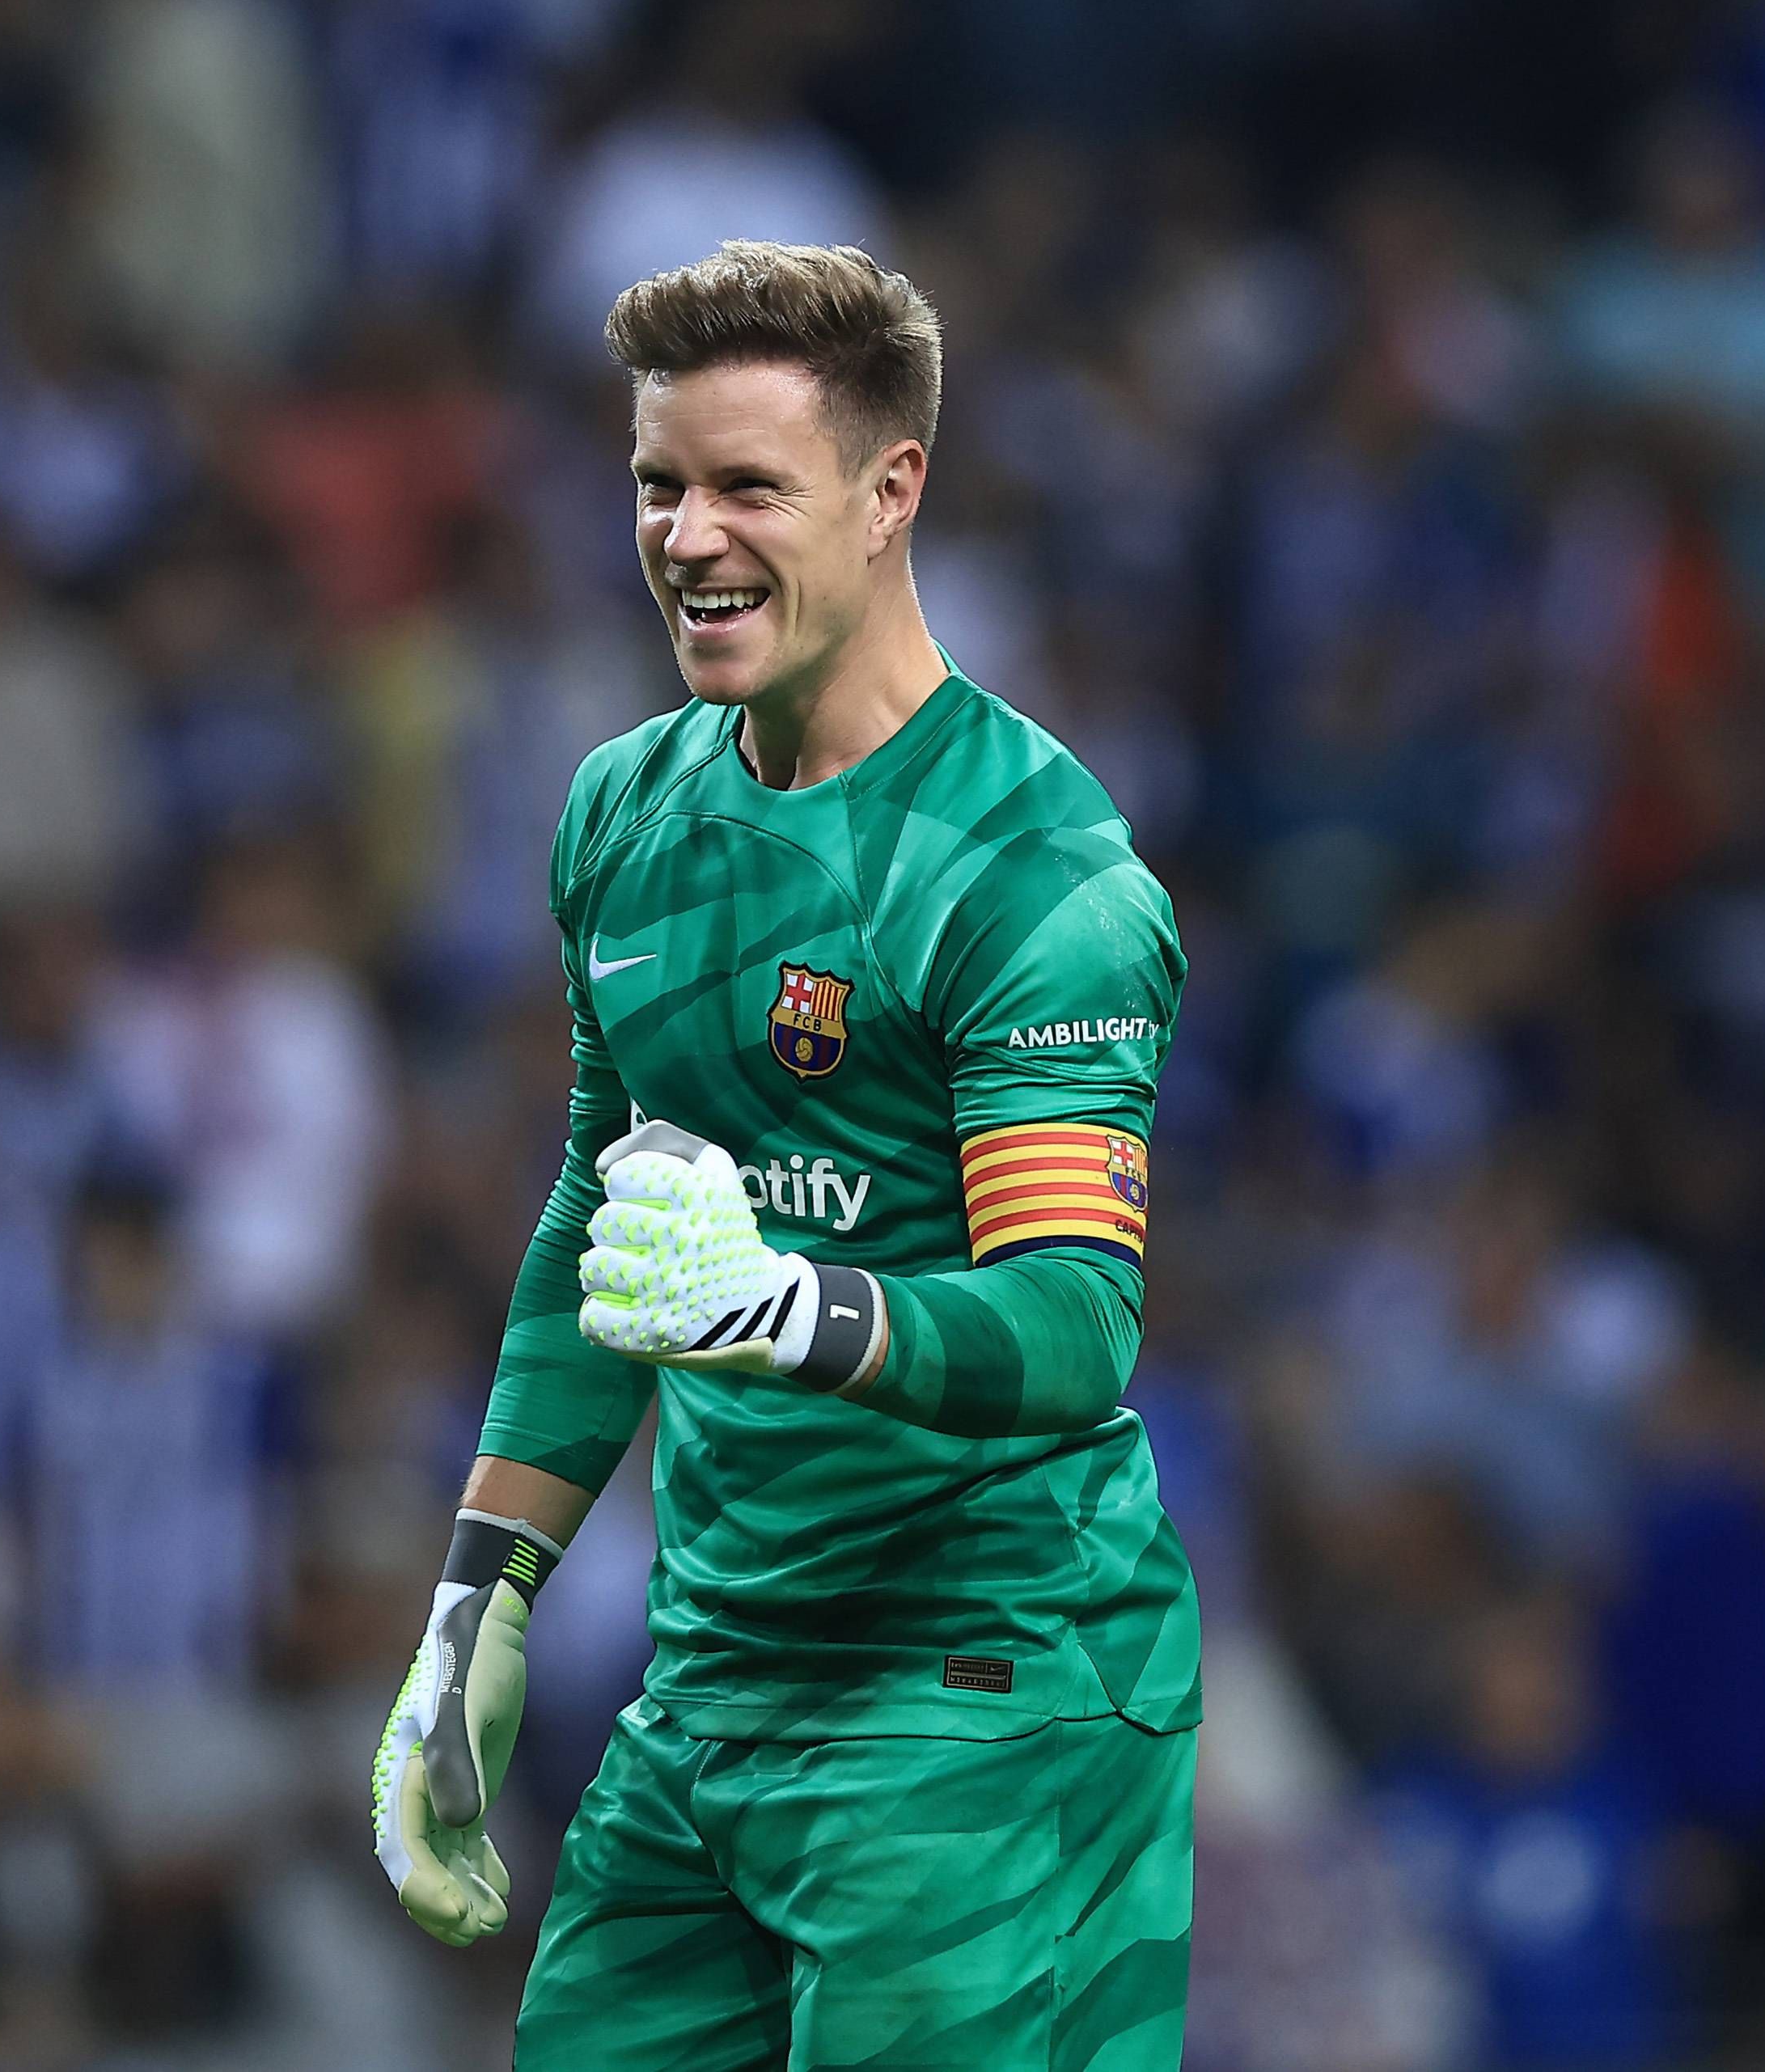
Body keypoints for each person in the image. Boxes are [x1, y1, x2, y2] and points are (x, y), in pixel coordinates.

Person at [369, 241, 1200, 2070]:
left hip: (985, 1686)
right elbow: (604, 1213)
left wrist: (790, 1308)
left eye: (751, 486)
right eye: (659, 485)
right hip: (719, 1683)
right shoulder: (623, 811)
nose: (687, 538)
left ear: (894, 489)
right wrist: (474, 1608)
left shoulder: (1033, 871)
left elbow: (1075, 1324)